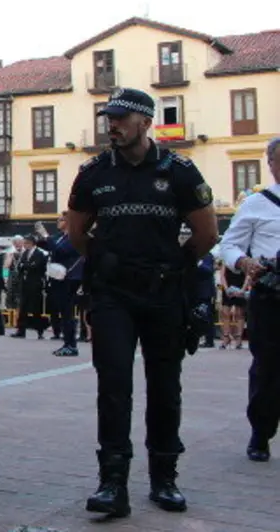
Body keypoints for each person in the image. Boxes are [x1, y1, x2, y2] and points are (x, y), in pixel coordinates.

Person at [66, 88, 218, 517]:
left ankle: (164, 478)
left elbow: (207, 235)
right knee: (113, 386)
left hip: (164, 294)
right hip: (113, 294)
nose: (111, 125)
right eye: (108, 118)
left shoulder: (181, 172)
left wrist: (174, 266)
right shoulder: (94, 173)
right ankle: (112, 483)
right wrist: (107, 264)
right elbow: (77, 233)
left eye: (120, 118)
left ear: (145, 122)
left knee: (165, 388)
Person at [219, 137, 280, 462]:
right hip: (271, 294)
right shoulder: (257, 204)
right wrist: (244, 262)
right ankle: (261, 431)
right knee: (268, 366)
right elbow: (228, 245)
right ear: (270, 164)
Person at [37, 214, 85, 357]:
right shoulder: (61, 236)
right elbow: (48, 245)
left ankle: (71, 345)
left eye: (61, 220)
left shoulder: (74, 237)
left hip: (70, 277)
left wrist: (46, 235)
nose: (58, 222)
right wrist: (42, 237)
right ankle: (68, 343)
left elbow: (61, 250)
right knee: (64, 312)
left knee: (67, 312)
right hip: (60, 277)